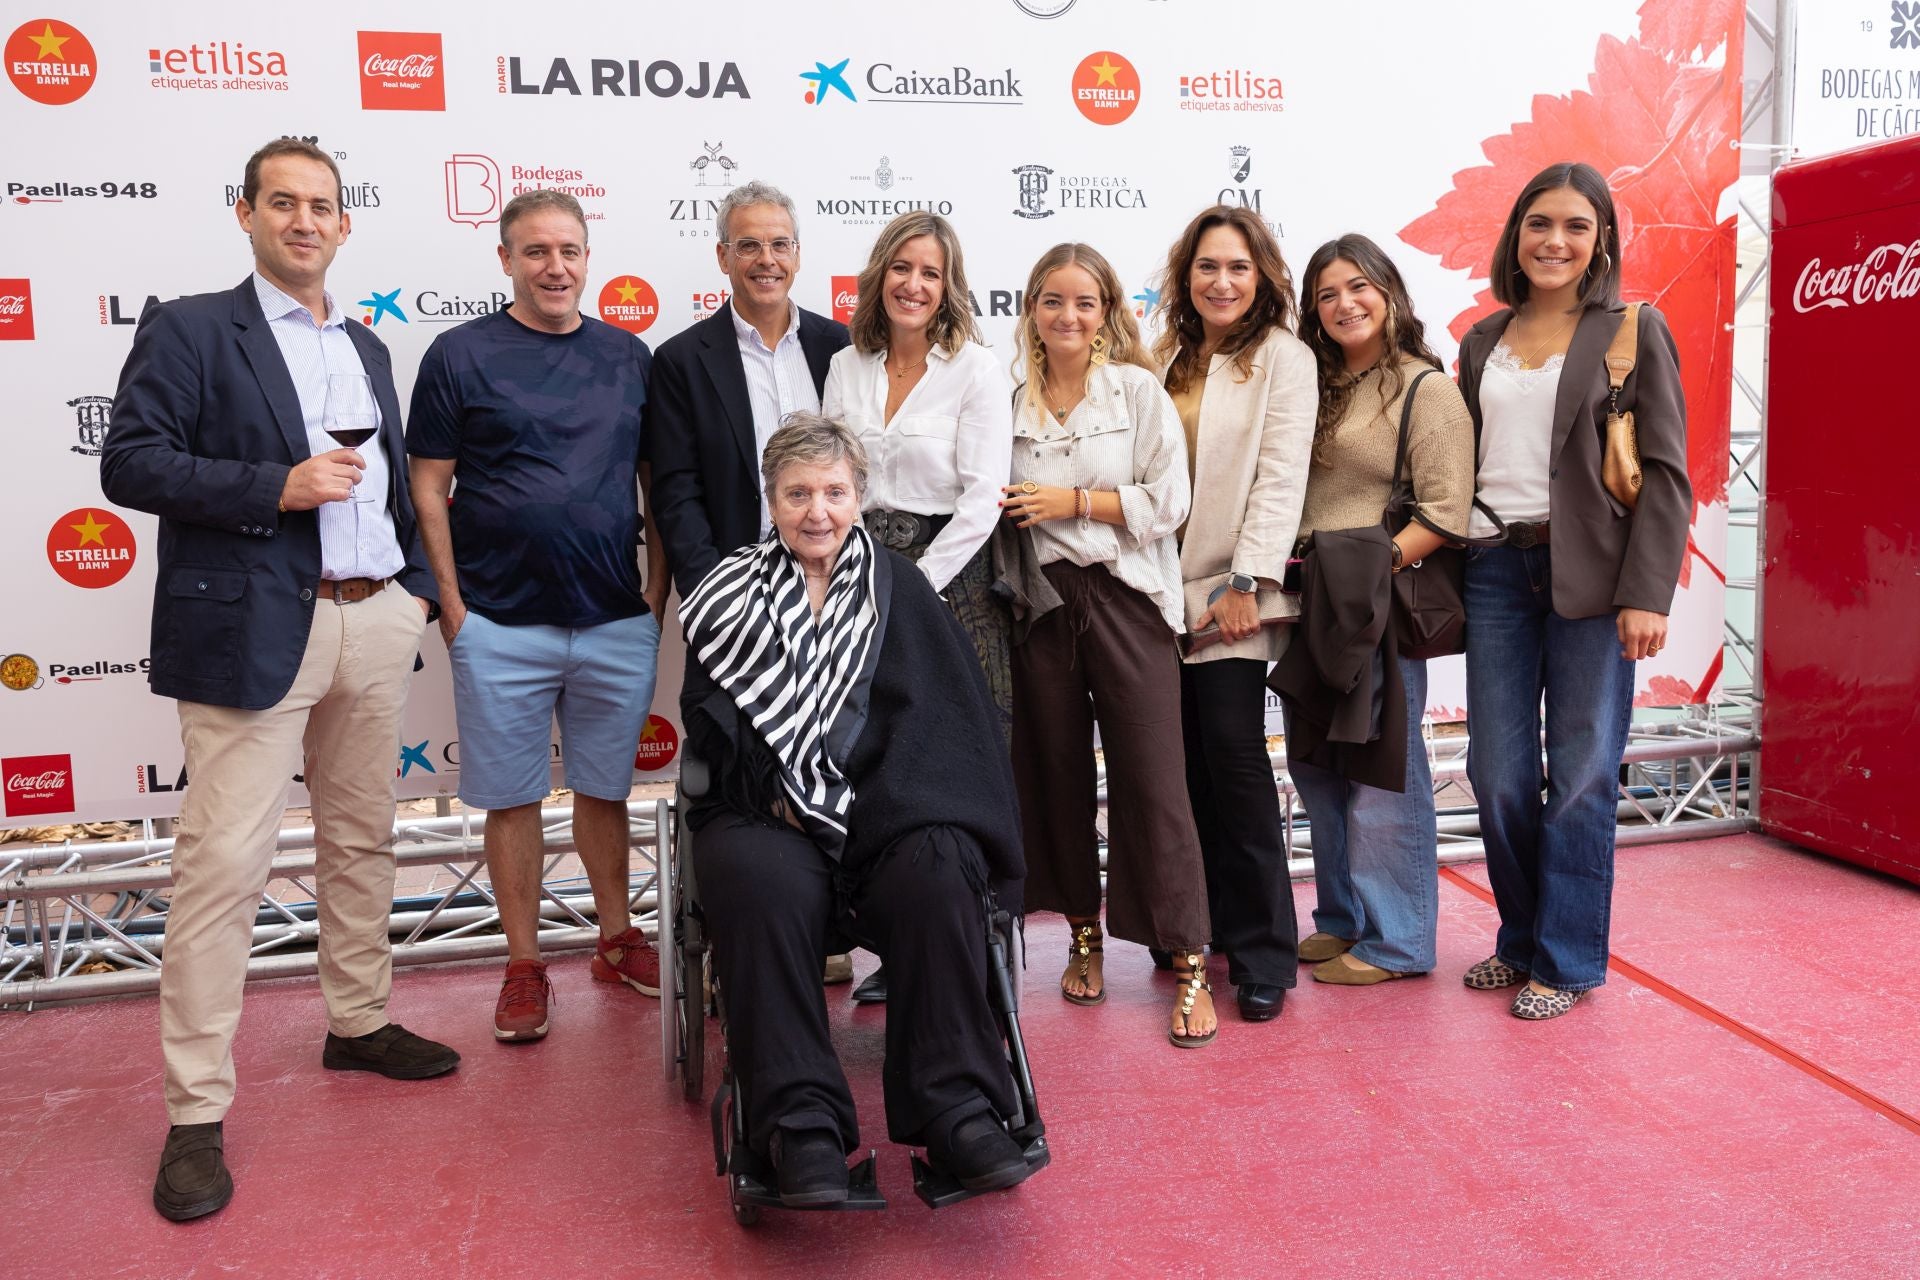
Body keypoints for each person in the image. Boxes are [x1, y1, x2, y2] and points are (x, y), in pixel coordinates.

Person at [100, 139, 458, 1223]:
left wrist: (411, 591)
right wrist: (276, 485)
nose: (305, 221)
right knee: (223, 869)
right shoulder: (192, 328)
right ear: (246, 213)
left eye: (322, 206)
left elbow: (389, 481)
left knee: (362, 838)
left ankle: (357, 1020)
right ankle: (195, 1111)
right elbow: (130, 461)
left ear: (346, 224)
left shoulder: (367, 344)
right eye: (284, 203)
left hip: (372, 619)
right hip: (253, 627)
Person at [679, 414, 1037, 1205]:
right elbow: (709, 720)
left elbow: (945, 724)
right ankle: (799, 1124)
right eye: (798, 494)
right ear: (771, 500)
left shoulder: (900, 587)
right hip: (769, 806)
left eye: (834, 493)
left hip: (886, 809)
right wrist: (777, 793)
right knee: (756, 876)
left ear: (859, 497)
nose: (818, 512)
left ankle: (959, 1109)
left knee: (938, 866)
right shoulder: (726, 593)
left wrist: (882, 803)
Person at [407, 190, 669, 1043]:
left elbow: (657, 486)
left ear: (588, 258)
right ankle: (523, 965)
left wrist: (654, 597)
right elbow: (427, 486)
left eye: (569, 251)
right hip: (498, 623)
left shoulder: (629, 356)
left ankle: (615, 940)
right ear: (506, 260)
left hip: (613, 619)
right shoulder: (459, 354)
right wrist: (453, 607)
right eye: (536, 252)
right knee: (512, 800)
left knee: (606, 790)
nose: (555, 267)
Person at [1456, 162, 1690, 1019]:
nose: (1555, 241)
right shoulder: (1481, 339)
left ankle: (1566, 960)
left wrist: (1648, 592)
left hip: (1594, 576)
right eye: (1539, 223)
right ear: (1515, 235)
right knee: (1497, 774)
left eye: (1576, 226)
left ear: (1602, 241)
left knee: (1585, 772)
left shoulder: (1633, 328)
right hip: (1494, 570)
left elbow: (1665, 473)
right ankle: (1521, 938)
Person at [644, 181, 859, 989]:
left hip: (838, 601)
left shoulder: (842, 349)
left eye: (779, 244)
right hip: (733, 607)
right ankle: (732, 944)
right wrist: (721, 596)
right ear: (722, 256)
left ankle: (831, 922)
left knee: (836, 761)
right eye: (749, 245)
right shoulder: (680, 361)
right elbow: (676, 495)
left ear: (798, 254)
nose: (765, 259)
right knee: (736, 772)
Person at [1001, 243, 1217, 1048]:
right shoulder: (1010, 400)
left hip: (1128, 600)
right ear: (1032, 309)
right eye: (1052, 300)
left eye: (1084, 302)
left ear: (1107, 313)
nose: (1068, 315)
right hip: (1043, 606)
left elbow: (1170, 501)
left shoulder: (1136, 390)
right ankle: (1082, 936)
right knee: (1053, 779)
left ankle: (1190, 963)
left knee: (1155, 783)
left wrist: (1073, 502)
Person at [1287, 234, 1476, 986]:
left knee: (1378, 773)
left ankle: (1399, 941)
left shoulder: (1426, 389)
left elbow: (1447, 510)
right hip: (1309, 601)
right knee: (1316, 768)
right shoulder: (1316, 385)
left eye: (1358, 286)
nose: (1345, 304)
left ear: (1389, 291)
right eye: (1327, 294)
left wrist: (1371, 568)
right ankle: (1343, 918)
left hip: (1373, 605)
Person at [1153, 205, 1314, 1023]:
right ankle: (1201, 927)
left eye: (1238, 267)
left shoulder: (1284, 357)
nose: (1222, 282)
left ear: (1263, 277)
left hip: (1233, 595)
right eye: (1208, 266)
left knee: (1237, 765)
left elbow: (1281, 475)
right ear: (1187, 275)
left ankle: (1263, 954)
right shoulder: (1162, 356)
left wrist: (1247, 579)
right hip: (1156, 595)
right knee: (1180, 773)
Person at [822, 210, 1014, 737]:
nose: (913, 285)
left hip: (954, 580)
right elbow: (835, 484)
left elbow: (985, 497)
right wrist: (859, 578)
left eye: (931, 273)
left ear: (947, 288)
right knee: (871, 737)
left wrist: (918, 584)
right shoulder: (845, 366)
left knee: (961, 739)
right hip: (860, 575)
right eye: (901, 268)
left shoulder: (976, 369)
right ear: (880, 274)